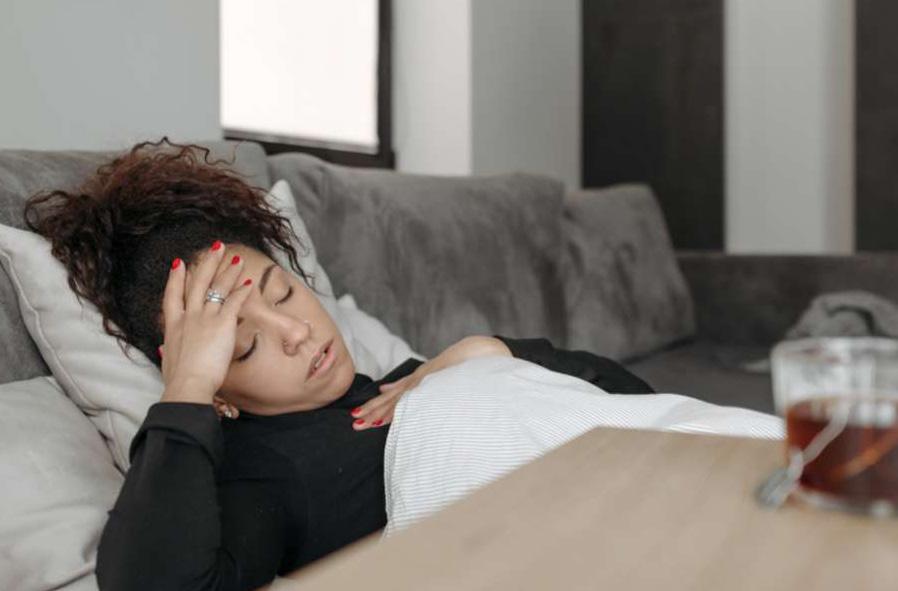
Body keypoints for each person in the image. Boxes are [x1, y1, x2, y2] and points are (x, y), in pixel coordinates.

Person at [25, 139, 654, 591]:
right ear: (218, 391)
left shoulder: (410, 377)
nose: (298, 332)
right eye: (244, 347)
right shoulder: (267, 473)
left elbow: (633, 400)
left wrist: (488, 352)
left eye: (282, 294)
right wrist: (186, 386)